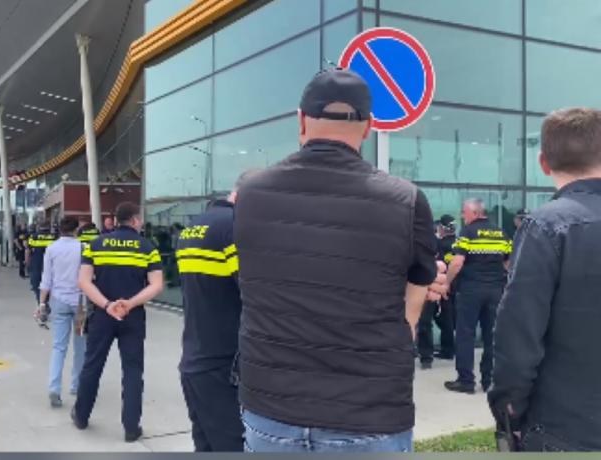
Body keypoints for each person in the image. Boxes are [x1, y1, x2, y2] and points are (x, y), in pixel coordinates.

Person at [232, 68, 445, 453]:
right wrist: (405, 326)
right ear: (368, 128)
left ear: (301, 120)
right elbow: (419, 286)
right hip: (370, 413)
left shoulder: (251, 193)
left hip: (271, 411)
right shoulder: (405, 200)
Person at [489, 108, 601, 451]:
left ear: (543, 163)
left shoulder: (547, 226)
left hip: (564, 427)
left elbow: (518, 333)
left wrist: (508, 410)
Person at [176, 171, 258, 452]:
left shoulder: (194, 227)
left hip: (196, 358)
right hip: (225, 364)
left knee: (205, 445)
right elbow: (255, 293)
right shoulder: (234, 228)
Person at [72, 202, 164, 443]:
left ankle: (81, 416)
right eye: (140, 219)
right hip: (132, 317)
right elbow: (156, 285)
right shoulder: (147, 247)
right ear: (134, 220)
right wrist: (130, 304)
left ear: (115, 220)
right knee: (133, 371)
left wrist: (107, 305)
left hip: (103, 316)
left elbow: (83, 281)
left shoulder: (95, 244)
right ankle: (131, 427)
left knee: (92, 366)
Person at [443, 199, 512, 394]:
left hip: (471, 290)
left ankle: (466, 381)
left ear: (474, 213)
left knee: (465, 334)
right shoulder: (501, 233)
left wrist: (446, 283)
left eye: (464, 212)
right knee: (491, 336)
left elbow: (457, 262)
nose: (462, 216)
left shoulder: (468, 232)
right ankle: (488, 380)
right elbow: (508, 263)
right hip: (495, 291)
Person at [37, 216, 87, 408]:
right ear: (76, 230)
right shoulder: (83, 248)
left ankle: (54, 388)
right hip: (80, 303)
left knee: (59, 347)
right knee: (80, 346)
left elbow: (46, 280)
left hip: (58, 301)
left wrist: (42, 304)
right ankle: (77, 385)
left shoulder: (51, 249)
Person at [417, 214, 458, 368]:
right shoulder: (455, 243)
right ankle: (446, 351)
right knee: (443, 320)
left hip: (433, 286)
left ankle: (427, 356)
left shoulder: (435, 244)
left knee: (426, 322)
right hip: (444, 287)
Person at [28, 221, 57, 304]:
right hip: (52, 262)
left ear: (39, 227)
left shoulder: (34, 236)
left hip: (37, 261)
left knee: (37, 283)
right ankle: (48, 301)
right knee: (51, 281)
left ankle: (40, 301)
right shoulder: (54, 237)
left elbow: (28, 250)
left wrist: (27, 261)